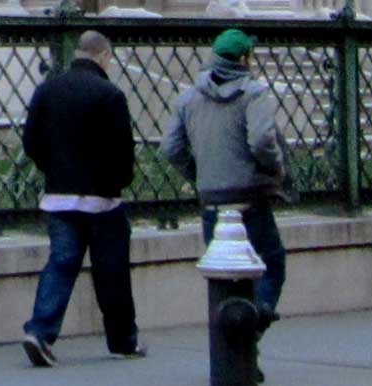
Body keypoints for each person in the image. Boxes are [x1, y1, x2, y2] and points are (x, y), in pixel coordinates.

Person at [17, 30, 142, 367]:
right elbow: (122, 150)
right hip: (102, 199)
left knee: (61, 262)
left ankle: (40, 332)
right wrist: (118, 182)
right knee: (111, 271)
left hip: (59, 195)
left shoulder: (47, 90)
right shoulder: (109, 94)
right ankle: (122, 341)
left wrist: (53, 169)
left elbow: (31, 141)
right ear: (103, 56)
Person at [160, 27, 291, 316]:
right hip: (249, 198)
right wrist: (274, 167)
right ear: (245, 60)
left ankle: (236, 345)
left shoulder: (189, 98)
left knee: (225, 280)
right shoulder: (252, 94)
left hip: (212, 200)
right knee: (270, 264)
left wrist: (198, 173)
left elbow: (170, 148)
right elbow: (261, 140)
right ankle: (253, 323)